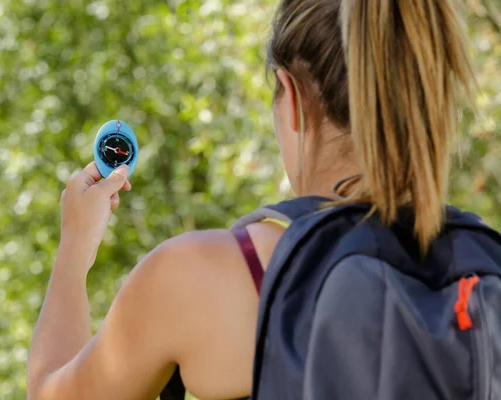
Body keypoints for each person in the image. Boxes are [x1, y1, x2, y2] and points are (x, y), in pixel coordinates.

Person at [27, 0, 477, 399]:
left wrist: (74, 250)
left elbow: (51, 393)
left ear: (292, 99)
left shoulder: (202, 275)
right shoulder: (477, 268)